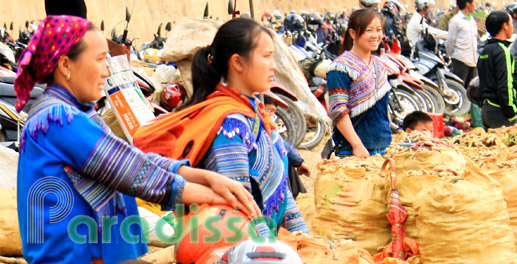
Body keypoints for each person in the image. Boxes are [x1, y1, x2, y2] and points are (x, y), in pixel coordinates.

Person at [15, 15, 260, 264]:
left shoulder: (77, 113)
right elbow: (130, 172)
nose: (106, 70)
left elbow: (132, 157)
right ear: (66, 66)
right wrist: (216, 197)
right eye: (100, 59)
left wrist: (206, 177)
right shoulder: (58, 119)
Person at [134, 18, 309, 235]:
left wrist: (303, 239)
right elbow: (239, 210)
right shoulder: (230, 124)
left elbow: (283, 189)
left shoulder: (254, 112)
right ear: (238, 63)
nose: (273, 65)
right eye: (266, 56)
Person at [327, 9, 392, 158]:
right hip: (353, 150)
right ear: (353, 33)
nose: (375, 36)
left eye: (378, 30)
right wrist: (357, 145)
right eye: (369, 30)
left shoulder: (379, 65)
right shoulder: (341, 67)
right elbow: (338, 110)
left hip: (381, 145)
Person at [479, 10, 517, 129]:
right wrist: (511, 112)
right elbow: (506, 84)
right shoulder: (503, 51)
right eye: (511, 24)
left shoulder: (485, 50)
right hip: (500, 111)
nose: (512, 27)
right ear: (504, 26)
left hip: (487, 109)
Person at [263, 96, 310, 198]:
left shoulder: (270, 126)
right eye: (268, 110)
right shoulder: (260, 123)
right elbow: (281, 145)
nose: (271, 114)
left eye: (273, 111)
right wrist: (298, 162)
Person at [446, 0, 478, 88]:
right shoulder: (455, 21)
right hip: (461, 60)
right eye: (474, 3)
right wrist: (454, 55)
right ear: (467, 4)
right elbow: (450, 41)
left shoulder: (472, 20)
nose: (475, 6)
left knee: (472, 88)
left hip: (472, 60)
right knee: (460, 87)